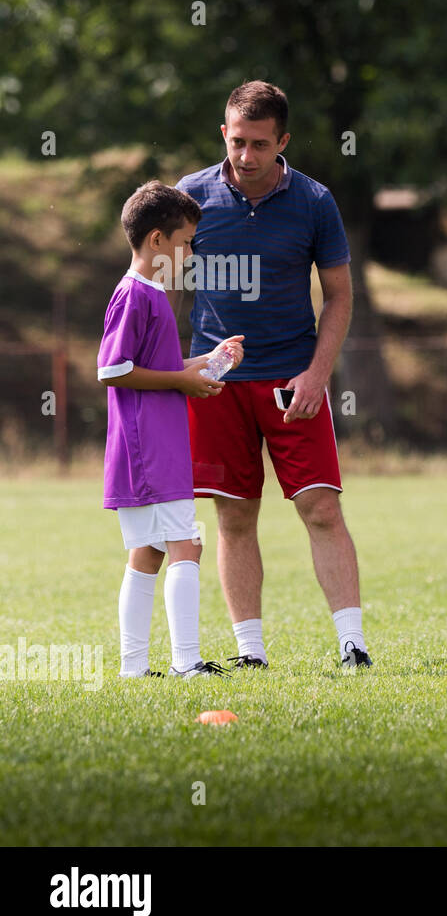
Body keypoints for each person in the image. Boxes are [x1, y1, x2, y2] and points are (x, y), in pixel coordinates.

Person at [177, 80, 371, 669]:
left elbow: (338, 296)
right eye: (237, 142)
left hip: (292, 382)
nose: (246, 156)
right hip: (216, 383)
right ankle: (250, 653)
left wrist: (317, 374)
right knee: (234, 514)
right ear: (223, 134)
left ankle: (352, 645)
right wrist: (176, 371)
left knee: (321, 508)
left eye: (260, 144)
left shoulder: (314, 202)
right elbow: (155, 287)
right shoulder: (189, 198)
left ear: (282, 140)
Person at [98, 181, 244, 678]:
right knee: (187, 543)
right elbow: (113, 369)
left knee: (151, 550)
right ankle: (187, 662)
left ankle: (134, 669)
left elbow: (156, 365)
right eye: (185, 242)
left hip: (156, 445)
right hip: (147, 446)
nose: (189, 252)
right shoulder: (134, 293)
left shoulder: (154, 293)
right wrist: (182, 380)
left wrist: (205, 362)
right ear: (157, 241)